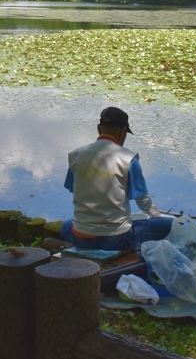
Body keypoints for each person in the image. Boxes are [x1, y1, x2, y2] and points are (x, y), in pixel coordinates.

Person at [61, 106, 173, 251]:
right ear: (122, 132)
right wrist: (152, 212)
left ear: (99, 129)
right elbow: (143, 202)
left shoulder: (75, 155)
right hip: (116, 239)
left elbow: (73, 188)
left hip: (79, 236)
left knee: (66, 226)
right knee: (170, 225)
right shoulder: (128, 159)